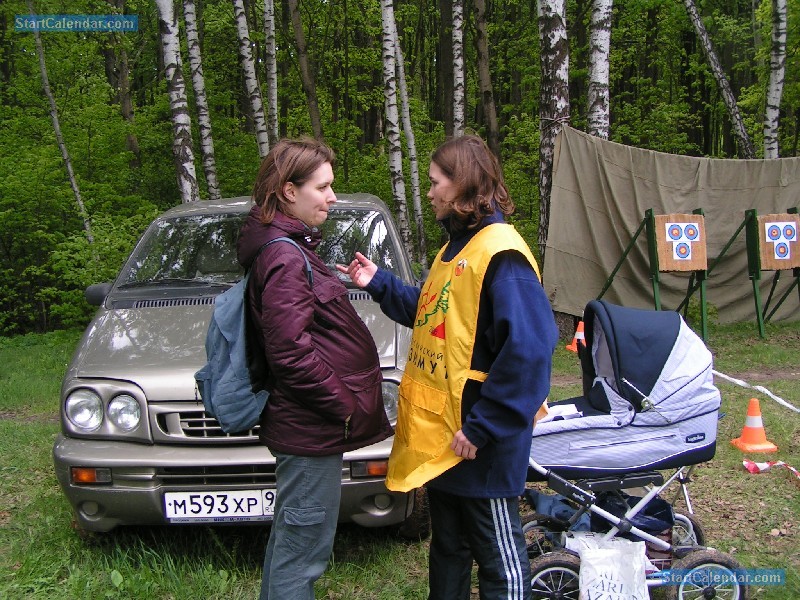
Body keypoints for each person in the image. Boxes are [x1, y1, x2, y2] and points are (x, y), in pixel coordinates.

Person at [338, 134, 558, 600]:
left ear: (464, 186)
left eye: (436, 181)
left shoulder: (502, 256)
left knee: (498, 557)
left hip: (481, 444)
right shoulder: (453, 252)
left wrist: (484, 427)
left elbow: (529, 351)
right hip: (446, 438)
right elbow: (432, 315)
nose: (430, 191)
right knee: (449, 549)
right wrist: (378, 282)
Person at [238, 137, 393, 600]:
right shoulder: (284, 256)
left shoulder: (289, 248)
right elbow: (290, 353)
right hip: (310, 427)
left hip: (309, 426)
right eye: (322, 187)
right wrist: (343, 406)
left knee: (296, 541)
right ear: (289, 191)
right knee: (302, 549)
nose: (332, 197)